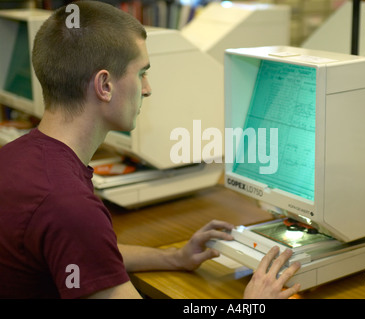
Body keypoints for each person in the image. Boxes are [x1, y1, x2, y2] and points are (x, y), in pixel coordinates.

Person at [0, 0, 301, 299]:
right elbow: (79, 233)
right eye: (142, 72)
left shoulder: (16, 158)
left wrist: (173, 258)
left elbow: (85, 253)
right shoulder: (68, 204)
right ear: (104, 85)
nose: (147, 88)